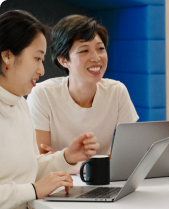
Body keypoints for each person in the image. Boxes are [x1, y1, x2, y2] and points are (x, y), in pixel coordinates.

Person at [0, 10, 100, 209]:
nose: (42, 70)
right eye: (37, 58)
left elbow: (29, 170)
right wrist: (34, 190)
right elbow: (31, 185)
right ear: (7, 56)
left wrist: (66, 157)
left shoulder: (19, 102)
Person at [27, 15, 139, 173]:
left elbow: (128, 156)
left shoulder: (117, 91)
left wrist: (64, 161)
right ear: (63, 60)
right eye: (84, 50)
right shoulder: (42, 94)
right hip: (57, 186)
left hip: (103, 184)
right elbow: (40, 160)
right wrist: (95, 165)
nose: (96, 57)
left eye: (100, 49)